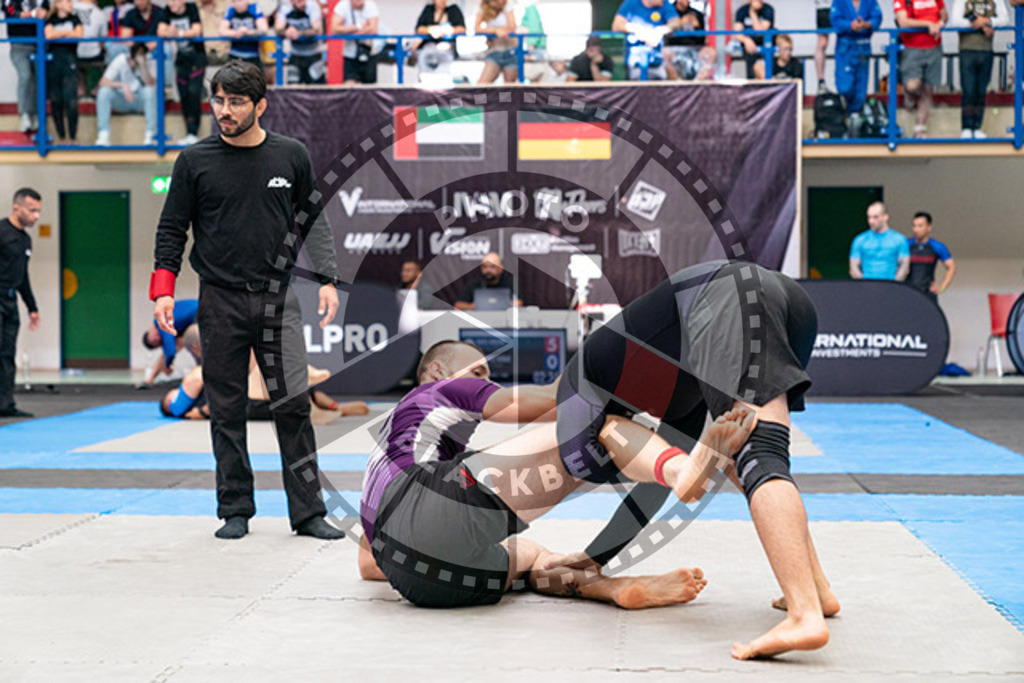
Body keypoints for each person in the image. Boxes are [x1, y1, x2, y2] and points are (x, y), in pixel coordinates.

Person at [548, 259, 838, 659]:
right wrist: (596, 558)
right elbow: (660, 487)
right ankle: (817, 590)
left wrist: (589, 560)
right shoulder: (674, 392)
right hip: (784, 299)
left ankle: (805, 614)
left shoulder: (579, 381)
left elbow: (625, 461)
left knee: (759, 454)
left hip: (729, 297)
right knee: (753, 459)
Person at [358, 339, 719, 610]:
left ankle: (610, 588)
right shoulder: (440, 389)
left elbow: (367, 565)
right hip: (430, 504)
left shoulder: (386, 454)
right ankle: (679, 469)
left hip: (420, 584)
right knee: (591, 429)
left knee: (530, 554)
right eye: (479, 373)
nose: (487, 381)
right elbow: (556, 402)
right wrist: (602, 350)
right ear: (438, 372)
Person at [151, 60, 344, 540]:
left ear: (260, 105)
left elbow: (313, 220)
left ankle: (308, 513)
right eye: (218, 100)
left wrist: (326, 277)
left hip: (279, 299)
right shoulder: (194, 162)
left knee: (293, 405)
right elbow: (171, 229)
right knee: (227, 408)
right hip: (219, 300)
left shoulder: (291, 156)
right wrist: (163, 291)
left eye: (236, 102)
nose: (225, 110)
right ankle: (234, 510)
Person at [160, 360, 369, 422]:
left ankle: (332, 408)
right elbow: (195, 387)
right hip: (250, 401)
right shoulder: (183, 403)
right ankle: (320, 401)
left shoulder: (191, 402)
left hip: (258, 402)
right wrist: (204, 412)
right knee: (264, 368)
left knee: (275, 375)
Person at [0, 189, 42, 419]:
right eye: (32, 210)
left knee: (7, 354)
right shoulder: (1, 232)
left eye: (38, 211)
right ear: (17, 208)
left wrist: (32, 308)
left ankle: (5, 404)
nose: (36, 216)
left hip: (10, 300)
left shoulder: (25, 239)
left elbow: (23, 276)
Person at [949, 0, 1009, 138]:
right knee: (968, 90)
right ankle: (966, 127)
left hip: (986, 50)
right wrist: (975, 24)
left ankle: (977, 126)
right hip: (967, 50)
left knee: (981, 91)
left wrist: (988, 21)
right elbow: (955, 20)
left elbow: (1005, 19)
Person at [895, 0, 947, 138]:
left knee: (928, 89)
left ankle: (919, 128)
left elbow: (944, 14)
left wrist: (940, 23)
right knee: (913, 86)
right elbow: (903, 21)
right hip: (913, 48)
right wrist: (928, 24)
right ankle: (910, 98)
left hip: (934, 47)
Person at [158, 0, 206, 145]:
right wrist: (172, 32)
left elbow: (197, 30)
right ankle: (189, 132)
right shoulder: (166, 11)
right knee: (184, 95)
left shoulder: (191, 8)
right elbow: (160, 31)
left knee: (193, 92)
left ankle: (194, 132)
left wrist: (177, 32)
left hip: (197, 57)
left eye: (173, 1)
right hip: (181, 59)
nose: (171, 4)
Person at [94, 42, 158, 146]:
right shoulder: (121, 60)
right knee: (104, 92)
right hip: (122, 99)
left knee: (150, 91)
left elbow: (150, 84)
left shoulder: (149, 60)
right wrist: (122, 85)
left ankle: (150, 135)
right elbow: (103, 82)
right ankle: (103, 135)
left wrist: (142, 65)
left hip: (139, 101)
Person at [831, 0, 883, 124]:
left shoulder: (870, 1)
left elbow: (877, 17)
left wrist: (867, 24)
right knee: (844, 87)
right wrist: (850, 25)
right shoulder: (839, 2)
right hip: (846, 48)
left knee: (861, 90)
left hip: (863, 47)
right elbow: (835, 20)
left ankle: (855, 119)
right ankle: (847, 111)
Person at [3, 0, 49, 133]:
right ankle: (24, 114)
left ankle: (36, 114)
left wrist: (45, 13)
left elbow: (47, 12)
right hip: (19, 45)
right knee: (25, 75)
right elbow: (11, 12)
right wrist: (33, 13)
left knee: (38, 79)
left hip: (38, 44)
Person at [612, 0, 681, 81]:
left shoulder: (665, 4)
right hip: (635, 62)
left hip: (658, 61)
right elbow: (617, 25)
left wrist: (660, 31)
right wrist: (639, 31)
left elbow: (676, 22)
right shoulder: (631, 3)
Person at [45, 0, 83, 144]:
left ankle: (72, 137)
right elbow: (48, 35)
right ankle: (61, 137)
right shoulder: (51, 19)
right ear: (59, 4)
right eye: (67, 1)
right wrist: (68, 33)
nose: (71, 4)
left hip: (70, 60)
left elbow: (79, 34)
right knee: (56, 100)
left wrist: (58, 33)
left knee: (71, 100)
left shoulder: (75, 18)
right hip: (54, 61)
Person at [140, 297, 199, 385]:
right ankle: (149, 379)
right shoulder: (166, 326)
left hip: (198, 312)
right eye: (157, 342)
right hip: (197, 312)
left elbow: (170, 351)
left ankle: (201, 372)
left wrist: (168, 365)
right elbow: (168, 351)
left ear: (150, 332)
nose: (156, 338)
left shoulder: (160, 322)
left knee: (190, 340)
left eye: (153, 339)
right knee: (179, 343)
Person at [849, 201, 910, 281]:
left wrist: (895, 286)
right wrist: (864, 285)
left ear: (885, 217)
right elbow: (853, 268)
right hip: (867, 287)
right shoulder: (860, 240)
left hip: (891, 287)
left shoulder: (899, 239)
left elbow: (904, 267)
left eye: (875, 217)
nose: (871, 221)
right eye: (869, 217)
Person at [411, 0, 465, 82]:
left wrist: (446, 30)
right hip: (428, 49)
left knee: (443, 72)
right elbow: (419, 28)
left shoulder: (453, 10)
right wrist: (430, 30)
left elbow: (462, 29)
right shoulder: (428, 10)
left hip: (447, 48)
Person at [906, 211, 955, 301]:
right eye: (914, 226)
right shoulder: (905, 244)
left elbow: (951, 267)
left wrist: (942, 288)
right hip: (908, 292)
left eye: (920, 226)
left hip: (927, 294)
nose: (916, 229)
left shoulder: (937, 246)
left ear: (929, 227)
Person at [275, 0, 326, 84]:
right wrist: (286, 31)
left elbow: (318, 30)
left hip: (314, 54)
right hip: (295, 54)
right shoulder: (285, 7)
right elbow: (278, 29)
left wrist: (298, 33)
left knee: (317, 89)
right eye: (299, 1)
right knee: (292, 88)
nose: (303, 4)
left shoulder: (312, 5)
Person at [664, 0, 717, 81]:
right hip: (674, 48)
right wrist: (680, 23)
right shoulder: (668, 12)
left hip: (694, 48)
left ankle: (697, 83)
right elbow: (664, 32)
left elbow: (702, 37)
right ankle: (677, 84)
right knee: (664, 54)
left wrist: (697, 26)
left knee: (711, 53)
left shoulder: (697, 14)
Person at [330, 0, 380, 85]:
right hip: (350, 55)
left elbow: (373, 29)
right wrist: (358, 27)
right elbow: (334, 29)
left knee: (370, 90)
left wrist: (349, 32)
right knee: (349, 88)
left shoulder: (371, 5)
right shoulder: (342, 5)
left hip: (369, 53)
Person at [455, 252, 521, 310]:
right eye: (485, 267)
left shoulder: (511, 283)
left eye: (492, 267)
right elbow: (458, 305)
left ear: (500, 268)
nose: (488, 270)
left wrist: (508, 304)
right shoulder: (474, 284)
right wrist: (473, 307)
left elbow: (519, 303)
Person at [475, 0, 518, 84]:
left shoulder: (508, 4)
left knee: (510, 90)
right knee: (482, 85)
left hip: (511, 52)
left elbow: (512, 27)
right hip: (494, 52)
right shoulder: (483, 7)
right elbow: (477, 29)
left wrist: (488, 30)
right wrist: (495, 30)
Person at [73, 0, 107, 98]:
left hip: (74, 54)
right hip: (94, 54)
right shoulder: (100, 13)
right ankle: (97, 88)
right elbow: (103, 42)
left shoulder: (71, 8)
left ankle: (80, 88)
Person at [733, 0, 774, 80]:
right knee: (750, 55)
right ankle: (751, 84)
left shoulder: (768, 9)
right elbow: (737, 33)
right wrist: (746, 40)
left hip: (765, 43)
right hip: (749, 45)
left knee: (764, 70)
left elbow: (759, 32)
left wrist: (753, 13)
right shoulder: (742, 11)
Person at [220, 0, 267, 68]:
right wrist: (236, 32)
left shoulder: (254, 8)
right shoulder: (230, 10)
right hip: (234, 56)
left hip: (253, 55)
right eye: (234, 1)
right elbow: (221, 31)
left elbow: (264, 29)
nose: (237, 4)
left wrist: (247, 32)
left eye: (240, 1)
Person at [814, 0, 832, 91]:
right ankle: (821, 81)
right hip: (823, 7)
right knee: (822, 43)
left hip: (844, 6)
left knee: (848, 38)